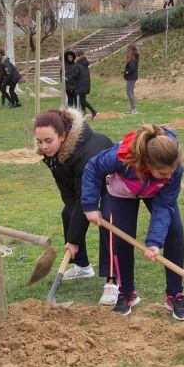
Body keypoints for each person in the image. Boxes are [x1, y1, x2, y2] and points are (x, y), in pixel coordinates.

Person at [80, 124, 184, 321]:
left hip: (156, 192)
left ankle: (175, 294)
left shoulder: (173, 169)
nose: (169, 177)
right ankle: (126, 293)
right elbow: (93, 167)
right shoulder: (121, 156)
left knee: (174, 232)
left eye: (171, 173)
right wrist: (90, 205)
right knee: (121, 239)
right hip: (122, 190)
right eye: (163, 174)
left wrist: (154, 242)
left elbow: (164, 207)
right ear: (147, 163)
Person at [34, 108, 118, 305]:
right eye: (39, 141)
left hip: (112, 185)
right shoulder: (53, 153)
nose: (44, 146)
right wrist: (74, 234)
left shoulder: (84, 153)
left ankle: (113, 281)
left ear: (63, 136)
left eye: (48, 141)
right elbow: (70, 196)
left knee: (108, 218)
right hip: (83, 190)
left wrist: (72, 240)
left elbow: (84, 199)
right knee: (68, 214)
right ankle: (82, 266)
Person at [74, 51, 97, 119]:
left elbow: (76, 75)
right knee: (83, 99)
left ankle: (93, 112)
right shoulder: (85, 63)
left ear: (77, 57)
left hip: (81, 85)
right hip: (85, 84)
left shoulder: (78, 65)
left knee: (82, 100)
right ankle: (83, 113)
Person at [123, 45, 139, 114]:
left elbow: (132, 68)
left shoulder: (132, 59)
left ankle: (133, 109)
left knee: (129, 92)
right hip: (133, 77)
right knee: (131, 92)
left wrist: (126, 72)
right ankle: (133, 108)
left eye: (128, 50)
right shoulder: (134, 58)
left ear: (130, 51)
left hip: (131, 77)